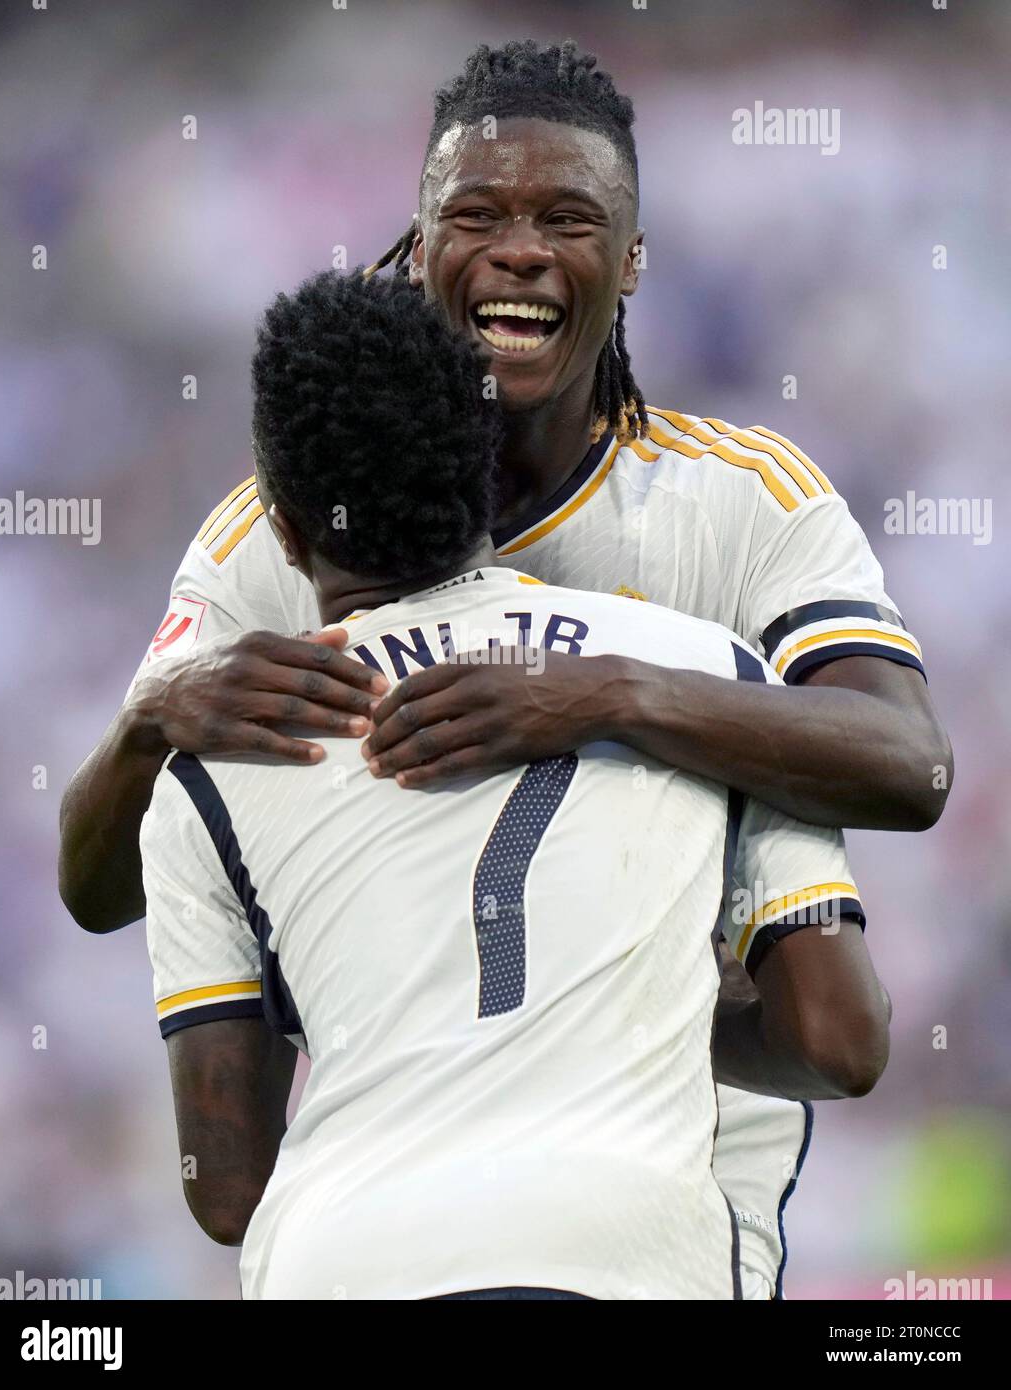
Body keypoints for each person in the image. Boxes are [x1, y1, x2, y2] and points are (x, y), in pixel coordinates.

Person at [62, 39, 944, 1296]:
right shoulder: (266, 536)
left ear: (631, 261)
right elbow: (96, 886)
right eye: (475, 215)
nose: (520, 248)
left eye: (567, 218)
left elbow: (911, 765)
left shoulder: (736, 502)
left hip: (666, 1161)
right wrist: (151, 726)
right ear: (418, 251)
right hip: (436, 1160)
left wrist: (606, 700)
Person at [142, 269, 890, 1300]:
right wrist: (638, 1011)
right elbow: (839, 1041)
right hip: (620, 1252)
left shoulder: (213, 766)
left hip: (347, 1262)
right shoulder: (713, 679)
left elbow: (225, 1189)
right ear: (483, 470)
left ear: (282, 528)